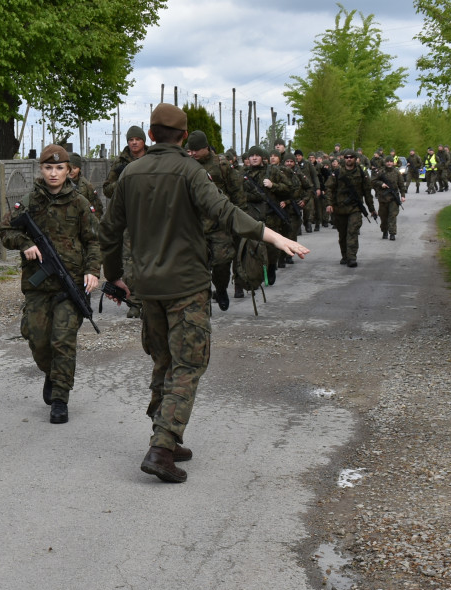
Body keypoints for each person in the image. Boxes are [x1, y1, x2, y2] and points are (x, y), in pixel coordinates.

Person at [99, 103, 309, 483]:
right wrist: (276, 236)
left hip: (147, 287)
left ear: (149, 135)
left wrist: (115, 277)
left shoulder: (131, 172)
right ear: (183, 137)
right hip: (187, 285)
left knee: (163, 360)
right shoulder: (190, 171)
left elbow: (109, 231)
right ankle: (162, 448)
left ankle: (167, 432)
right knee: (189, 363)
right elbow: (226, 212)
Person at [0, 144, 100, 425]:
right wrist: (25, 243)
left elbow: (93, 240)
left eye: (59, 168)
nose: (53, 173)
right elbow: (5, 231)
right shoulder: (30, 201)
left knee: (63, 341)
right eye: (48, 168)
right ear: (40, 169)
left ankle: (60, 398)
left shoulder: (79, 202)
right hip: (37, 286)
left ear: (68, 171)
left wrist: (93, 270)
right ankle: (52, 374)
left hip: (70, 287)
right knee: (38, 338)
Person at [185, 130, 245, 309]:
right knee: (198, 265)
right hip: (194, 225)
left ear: (206, 148)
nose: (193, 153)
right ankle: (202, 300)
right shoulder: (186, 165)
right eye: (190, 150)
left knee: (222, 263)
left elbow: (237, 191)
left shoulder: (222, 165)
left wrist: (239, 218)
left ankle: (220, 289)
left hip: (220, 225)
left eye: (196, 150)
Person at [102, 126, 148, 318]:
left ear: (144, 141)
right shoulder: (120, 163)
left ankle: (152, 300)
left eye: (138, 139)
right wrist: (122, 182)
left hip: (152, 216)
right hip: (129, 218)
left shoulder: (154, 158)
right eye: (131, 139)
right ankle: (135, 302)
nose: (134, 142)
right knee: (129, 260)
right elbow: (107, 189)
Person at [241, 146, 290, 285]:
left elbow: (289, 188)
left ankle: (271, 267)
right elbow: (237, 193)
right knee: (252, 247)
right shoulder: (243, 173)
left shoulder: (273, 171)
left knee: (271, 248)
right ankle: (255, 276)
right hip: (251, 216)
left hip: (270, 217)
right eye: (251, 156)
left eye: (257, 155)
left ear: (262, 157)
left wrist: (273, 185)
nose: (254, 158)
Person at [325, 149, 377, 268]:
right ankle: (345, 256)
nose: (349, 159)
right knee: (342, 235)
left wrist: (371, 209)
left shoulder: (361, 173)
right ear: (344, 158)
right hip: (339, 209)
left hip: (355, 209)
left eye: (351, 157)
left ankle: (352, 257)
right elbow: (329, 189)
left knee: (352, 232)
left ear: (355, 159)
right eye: (347, 157)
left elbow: (367, 192)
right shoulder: (337, 173)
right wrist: (329, 204)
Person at [372, 156, 407, 241]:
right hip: (383, 198)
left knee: (392, 215)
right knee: (383, 216)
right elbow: (373, 181)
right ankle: (385, 231)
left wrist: (403, 195)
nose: (389, 163)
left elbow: (401, 184)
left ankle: (392, 233)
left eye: (390, 162)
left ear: (393, 163)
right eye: (387, 161)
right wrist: (381, 184)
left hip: (393, 198)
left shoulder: (396, 172)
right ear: (385, 162)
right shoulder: (381, 172)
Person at [68, 152, 103, 218]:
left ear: (79, 169)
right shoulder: (61, 183)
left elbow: (97, 207)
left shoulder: (87, 186)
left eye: (74, 168)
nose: (71, 171)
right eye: (69, 168)